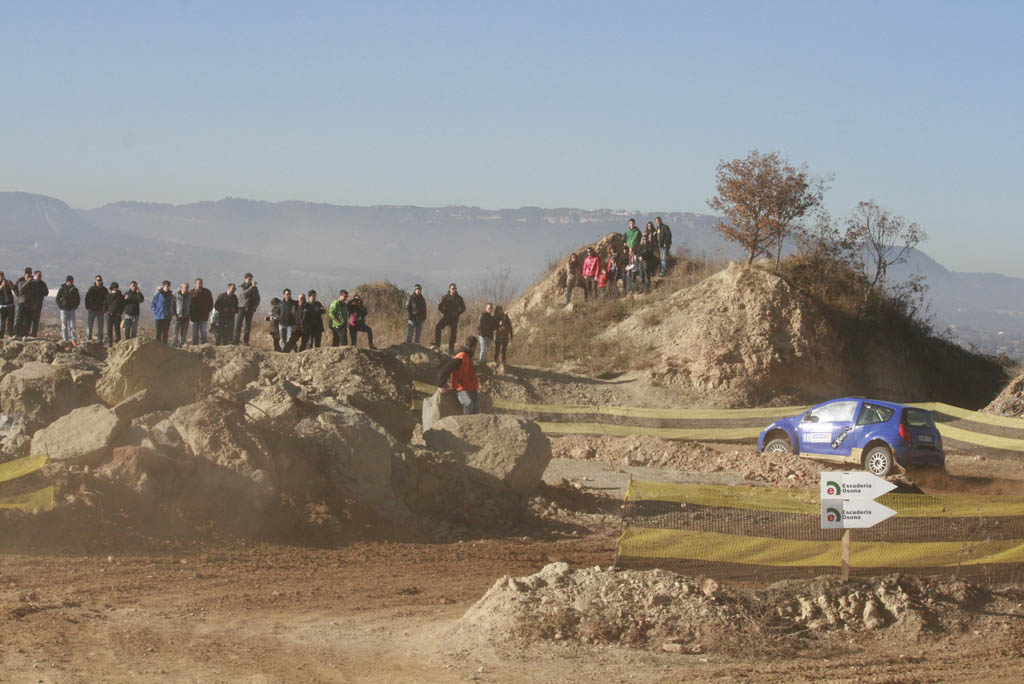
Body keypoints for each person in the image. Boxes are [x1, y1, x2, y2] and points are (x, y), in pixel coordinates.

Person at [438, 336, 480, 414]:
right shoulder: (461, 357)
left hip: (470, 389)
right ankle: (465, 420)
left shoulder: (467, 357)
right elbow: (444, 370)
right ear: (474, 347)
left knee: (477, 409)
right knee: (469, 403)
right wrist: (441, 385)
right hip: (460, 389)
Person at [432, 283, 465, 354]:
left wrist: (458, 313)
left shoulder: (459, 298)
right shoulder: (445, 297)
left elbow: (463, 308)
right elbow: (440, 306)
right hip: (446, 317)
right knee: (438, 327)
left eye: (455, 288)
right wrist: (443, 312)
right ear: (449, 289)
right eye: (452, 288)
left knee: (453, 334)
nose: (454, 290)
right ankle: (437, 343)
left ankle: (451, 348)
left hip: (454, 318)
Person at [15, 270, 47, 340]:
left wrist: (34, 303)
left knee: (29, 320)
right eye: (27, 275)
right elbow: (21, 290)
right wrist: (27, 282)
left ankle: (27, 335)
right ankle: (17, 334)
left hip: (31, 304)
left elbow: (38, 294)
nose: (29, 277)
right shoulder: (22, 281)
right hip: (22, 303)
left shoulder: (40, 284)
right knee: (19, 319)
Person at [233, 272, 261, 345]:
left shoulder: (255, 288)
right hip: (241, 307)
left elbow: (258, 298)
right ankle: (236, 340)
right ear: (245, 279)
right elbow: (245, 294)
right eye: (249, 279)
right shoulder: (241, 287)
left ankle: (246, 341)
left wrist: (254, 307)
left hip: (250, 308)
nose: (250, 281)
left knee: (248, 326)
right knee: (238, 324)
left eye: (251, 279)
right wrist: (252, 287)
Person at [55, 275, 81, 344]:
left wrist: (75, 306)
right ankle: (65, 339)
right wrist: (61, 306)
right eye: (70, 281)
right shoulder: (62, 289)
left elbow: (78, 299)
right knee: (64, 325)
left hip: (71, 310)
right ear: (67, 281)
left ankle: (73, 339)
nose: (72, 282)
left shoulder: (74, 289)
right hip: (64, 309)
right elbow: (57, 298)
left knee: (72, 325)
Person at [189, 278, 214, 345]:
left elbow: (211, 303)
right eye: (198, 283)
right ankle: (195, 345)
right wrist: (190, 313)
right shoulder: (191, 292)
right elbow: (188, 304)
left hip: (204, 316)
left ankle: (204, 345)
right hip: (194, 316)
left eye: (201, 283)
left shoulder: (207, 292)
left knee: (203, 331)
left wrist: (207, 311)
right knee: (195, 332)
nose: (200, 284)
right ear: (195, 284)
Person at [84, 275, 108, 343]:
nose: (99, 281)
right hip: (92, 310)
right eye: (98, 280)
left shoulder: (104, 290)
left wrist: (105, 309)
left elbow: (107, 300)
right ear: (95, 281)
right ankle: (89, 339)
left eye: (100, 280)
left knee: (100, 326)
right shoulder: (91, 289)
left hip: (100, 310)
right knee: (90, 325)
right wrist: (88, 307)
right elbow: (87, 298)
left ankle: (100, 340)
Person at [103, 281, 125, 346]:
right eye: (114, 287)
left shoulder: (120, 296)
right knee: (109, 329)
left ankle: (117, 341)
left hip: (117, 315)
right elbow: (105, 304)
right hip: (109, 315)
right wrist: (106, 311)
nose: (115, 288)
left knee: (117, 329)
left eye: (116, 287)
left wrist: (120, 312)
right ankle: (109, 342)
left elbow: (123, 305)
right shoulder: (108, 296)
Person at [492, 305, 513, 372]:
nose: (500, 311)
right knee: (497, 349)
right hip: (498, 335)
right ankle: (495, 361)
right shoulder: (495, 317)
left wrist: (511, 335)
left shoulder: (505, 316)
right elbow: (493, 326)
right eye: (498, 310)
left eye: (500, 309)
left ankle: (504, 362)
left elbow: (509, 325)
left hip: (505, 335)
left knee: (504, 350)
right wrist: (499, 325)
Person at [172, 282, 192, 348]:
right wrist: (174, 314)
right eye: (185, 287)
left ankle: (181, 346)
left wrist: (189, 315)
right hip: (177, 317)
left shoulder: (190, 296)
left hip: (186, 317)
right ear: (182, 287)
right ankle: (174, 346)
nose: (187, 289)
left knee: (184, 334)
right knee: (175, 333)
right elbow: (172, 305)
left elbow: (191, 306)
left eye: (187, 287)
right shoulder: (176, 295)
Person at [0, 272, 15, 339]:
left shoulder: (8, 282)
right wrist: (2, 285)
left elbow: (13, 288)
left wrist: (9, 284)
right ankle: (1, 334)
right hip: (2, 305)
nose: (1, 278)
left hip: (10, 304)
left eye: (2, 276)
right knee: (2, 321)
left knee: (10, 320)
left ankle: (11, 333)